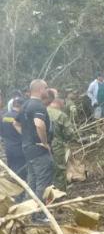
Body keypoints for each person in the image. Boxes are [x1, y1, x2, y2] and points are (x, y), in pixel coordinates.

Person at [19, 80, 53, 221]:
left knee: (31, 181)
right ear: (40, 90)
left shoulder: (25, 104)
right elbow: (39, 124)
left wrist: (26, 137)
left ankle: (27, 212)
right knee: (42, 182)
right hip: (38, 150)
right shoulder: (38, 105)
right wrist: (44, 143)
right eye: (46, 87)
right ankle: (39, 214)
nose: (47, 90)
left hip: (27, 148)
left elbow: (16, 122)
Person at [47, 97, 78, 191]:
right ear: (60, 104)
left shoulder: (43, 110)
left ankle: (47, 190)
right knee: (59, 168)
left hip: (42, 144)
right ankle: (60, 192)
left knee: (46, 167)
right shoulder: (61, 115)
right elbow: (69, 133)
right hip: (57, 144)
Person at [1, 97, 26, 180]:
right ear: (21, 106)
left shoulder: (4, 117)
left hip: (8, 148)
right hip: (20, 149)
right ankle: (20, 192)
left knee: (11, 171)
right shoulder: (20, 117)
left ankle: (12, 190)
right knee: (21, 174)